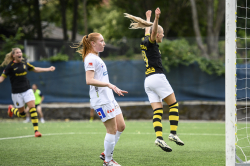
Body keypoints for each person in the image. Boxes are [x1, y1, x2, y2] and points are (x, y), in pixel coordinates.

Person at [124, 8, 184, 152]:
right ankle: (173, 134)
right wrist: (156, 19)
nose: (163, 36)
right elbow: (152, 32)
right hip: (157, 77)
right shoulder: (152, 41)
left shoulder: (145, 41)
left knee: (158, 110)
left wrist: (148, 18)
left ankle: (159, 138)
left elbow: (147, 31)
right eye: (162, 34)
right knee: (174, 105)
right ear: (157, 34)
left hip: (148, 81)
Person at [72, 33, 128, 166]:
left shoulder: (96, 56)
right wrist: (109, 84)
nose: (104, 43)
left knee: (121, 126)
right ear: (93, 43)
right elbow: (89, 80)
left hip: (109, 98)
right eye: (101, 41)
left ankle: (105, 153)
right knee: (111, 130)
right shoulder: (90, 59)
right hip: (101, 100)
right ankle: (108, 161)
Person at [0, 48, 55, 137]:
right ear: (13, 55)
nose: (19, 53)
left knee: (32, 107)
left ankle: (36, 131)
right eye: (17, 52)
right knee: (22, 114)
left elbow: (35, 69)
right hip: (16, 93)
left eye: (20, 52)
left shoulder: (25, 63)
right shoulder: (10, 66)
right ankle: (11, 109)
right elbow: (2, 78)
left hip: (27, 90)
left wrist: (48, 69)